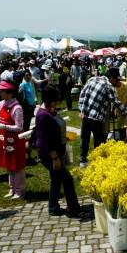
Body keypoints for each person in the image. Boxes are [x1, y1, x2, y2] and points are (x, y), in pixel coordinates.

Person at [35, 85, 81, 217]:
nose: (58, 103)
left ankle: (53, 207)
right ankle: (73, 208)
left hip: (58, 150)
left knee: (56, 180)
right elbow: (45, 141)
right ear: (49, 100)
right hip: (50, 155)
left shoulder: (51, 111)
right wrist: (55, 159)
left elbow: (54, 130)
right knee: (67, 179)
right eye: (56, 100)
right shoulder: (43, 116)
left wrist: (64, 137)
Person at [78, 71, 127, 167]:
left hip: (85, 116)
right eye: (116, 80)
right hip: (97, 118)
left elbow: (82, 94)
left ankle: (83, 161)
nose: (117, 83)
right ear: (112, 78)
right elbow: (115, 101)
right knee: (98, 142)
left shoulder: (92, 79)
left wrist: (81, 110)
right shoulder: (108, 86)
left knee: (84, 139)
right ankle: (97, 163)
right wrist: (126, 112)